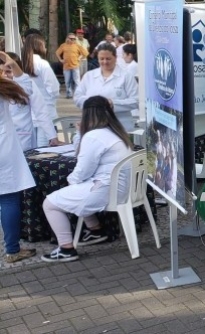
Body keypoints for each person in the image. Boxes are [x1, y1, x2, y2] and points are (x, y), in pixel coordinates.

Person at [40, 96, 133, 262]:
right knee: (77, 188)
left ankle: (66, 248)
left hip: (106, 190)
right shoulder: (116, 131)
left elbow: (82, 170)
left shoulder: (94, 136)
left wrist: (71, 180)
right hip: (121, 188)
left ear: (87, 114)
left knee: (50, 203)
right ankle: (95, 230)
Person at [0, 70, 37, 264]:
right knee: (8, 198)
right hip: (3, 147)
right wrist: (13, 65)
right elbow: (26, 90)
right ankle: (12, 250)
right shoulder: (3, 85)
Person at [74, 43, 138, 131]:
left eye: (108, 59)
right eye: (101, 59)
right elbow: (77, 98)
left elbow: (136, 101)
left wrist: (112, 104)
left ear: (115, 58)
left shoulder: (126, 76)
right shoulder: (89, 76)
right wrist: (94, 103)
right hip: (93, 125)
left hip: (120, 126)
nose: (105, 62)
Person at [20, 33, 60, 147]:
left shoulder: (21, 64)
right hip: (46, 112)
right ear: (39, 46)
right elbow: (54, 89)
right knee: (44, 150)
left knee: (31, 150)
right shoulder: (43, 64)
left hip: (28, 114)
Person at [4, 52, 48, 151]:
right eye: (1, 71)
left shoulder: (26, 84)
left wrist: (51, 136)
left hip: (22, 137)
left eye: (8, 71)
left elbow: (41, 110)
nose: (4, 75)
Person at [56, 33, 89, 99]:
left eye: (74, 39)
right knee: (67, 81)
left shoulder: (77, 45)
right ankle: (69, 94)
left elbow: (85, 53)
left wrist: (80, 58)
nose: (72, 40)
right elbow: (57, 53)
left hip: (75, 66)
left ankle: (77, 94)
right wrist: (60, 60)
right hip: (66, 66)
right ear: (67, 38)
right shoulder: (63, 45)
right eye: (71, 38)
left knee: (76, 81)